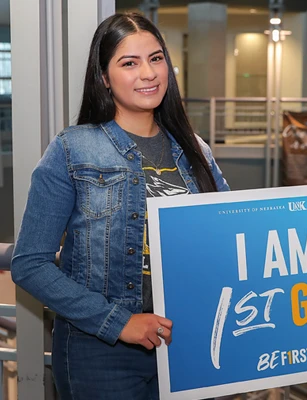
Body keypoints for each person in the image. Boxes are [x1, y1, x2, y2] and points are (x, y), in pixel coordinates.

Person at [11, 12, 229, 400]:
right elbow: (30, 263)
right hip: (101, 353)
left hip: (186, 342)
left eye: (156, 58)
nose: (148, 73)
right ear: (104, 77)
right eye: (129, 63)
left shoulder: (195, 150)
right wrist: (119, 322)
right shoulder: (72, 149)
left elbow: (230, 235)